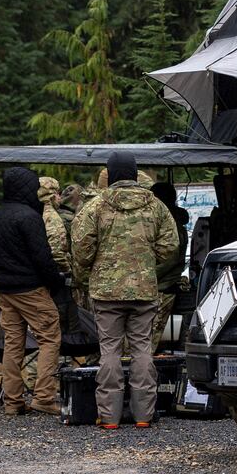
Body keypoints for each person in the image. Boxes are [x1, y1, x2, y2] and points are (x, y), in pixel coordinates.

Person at [72, 151, 179, 429]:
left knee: (109, 350)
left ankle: (109, 416)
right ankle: (144, 415)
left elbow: (82, 247)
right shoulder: (155, 205)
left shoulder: (96, 207)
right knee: (143, 348)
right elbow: (170, 244)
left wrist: (93, 268)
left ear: (110, 174)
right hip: (144, 289)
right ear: (133, 173)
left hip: (106, 292)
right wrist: (146, 260)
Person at [0, 167, 66, 416]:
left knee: (13, 344)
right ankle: (43, 397)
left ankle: (12, 401)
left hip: (6, 289)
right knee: (49, 338)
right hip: (31, 288)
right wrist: (56, 282)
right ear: (27, 188)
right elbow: (42, 258)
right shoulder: (30, 217)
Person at [149, 182, 191, 344]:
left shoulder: (169, 224)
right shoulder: (167, 222)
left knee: (147, 342)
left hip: (162, 288)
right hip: (159, 286)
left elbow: (170, 258)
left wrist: (146, 275)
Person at [38, 176, 71, 273]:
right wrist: (67, 272)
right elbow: (57, 253)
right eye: (58, 194)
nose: (60, 198)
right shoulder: (52, 217)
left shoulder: (34, 212)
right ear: (52, 195)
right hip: (54, 275)